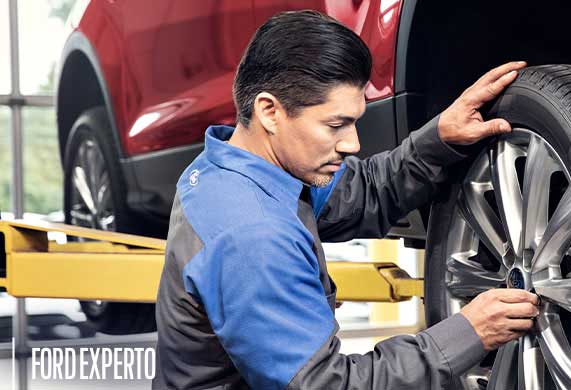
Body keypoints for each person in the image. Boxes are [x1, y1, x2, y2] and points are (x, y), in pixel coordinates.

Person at [153, 10, 539, 390]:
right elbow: (326, 385)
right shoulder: (252, 235)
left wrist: (438, 139)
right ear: (270, 111)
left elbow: (363, 193)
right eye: (336, 125)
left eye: (354, 121)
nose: (353, 144)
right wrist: (467, 333)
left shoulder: (242, 167)